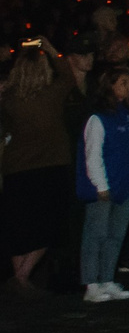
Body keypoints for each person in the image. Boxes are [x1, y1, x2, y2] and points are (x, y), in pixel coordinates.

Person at [2, 40, 79, 295]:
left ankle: (19, 276)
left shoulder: (9, 98)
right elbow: (68, 74)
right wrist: (50, 48)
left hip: (17, 167)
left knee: (21, 224)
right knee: (51, 223)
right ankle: (23, 275)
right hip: (51, 164)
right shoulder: (53, 93)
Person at [75, 69, 129, 303]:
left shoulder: (128, 115)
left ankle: (107, 278)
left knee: (115, 235)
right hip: (104, 187)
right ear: (110, 86)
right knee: (96, 234)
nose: (128, 87)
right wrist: (101, 185)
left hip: (125, 185)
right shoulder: (99, 118)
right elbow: (93, 155)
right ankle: (91, 283)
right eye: (123, 82)